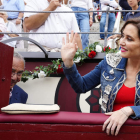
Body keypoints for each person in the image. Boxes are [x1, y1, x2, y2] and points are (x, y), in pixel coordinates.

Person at [61, 18, 140, 136]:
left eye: (129, 39)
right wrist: (68, 62)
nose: (122, 42)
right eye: (122, 36)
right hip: (110, 133)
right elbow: (82, 86)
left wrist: (129, 110)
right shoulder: (109, 62)